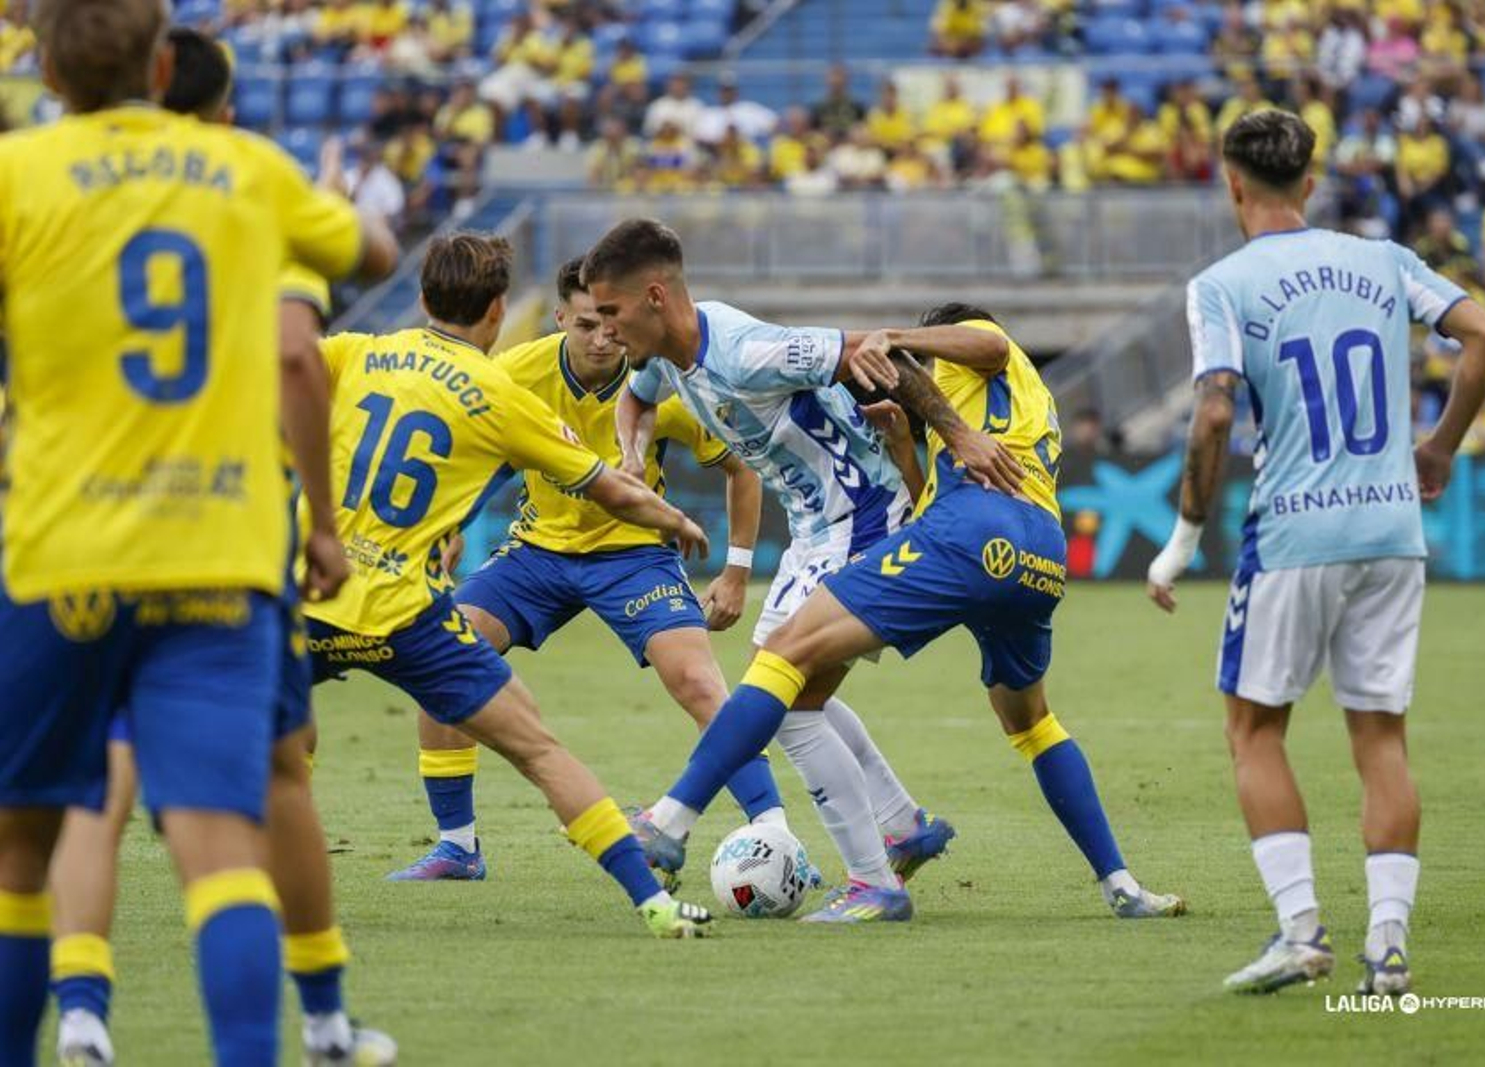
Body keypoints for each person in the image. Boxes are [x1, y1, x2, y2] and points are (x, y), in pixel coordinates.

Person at [0, 2, 396, 1063]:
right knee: (225, 844)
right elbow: (373, 244)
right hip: (220, 550)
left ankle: (68, 1020)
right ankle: (300, 1030)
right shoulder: (245, 171)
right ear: (165, 61)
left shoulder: (17, 174)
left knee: (22, 847)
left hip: (60, 551)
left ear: (43, 69)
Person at [591, 220, 1185, 924]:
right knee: (1026, 722)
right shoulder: (670, 357)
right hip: (1034, 547)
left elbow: (982, 342)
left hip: (905, 525)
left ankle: (710, 831)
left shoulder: (766, 349)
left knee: (782, 677)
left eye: (609, 314)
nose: (602, 330)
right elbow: (640, 390)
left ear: (654, 296)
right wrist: (912, 442)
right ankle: (1105, 878)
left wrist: (906, 351)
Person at [1145, 110, 1485, 995]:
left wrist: (1185, 538)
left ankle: (1302, 930)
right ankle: (1389, 946)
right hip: (1391, 528)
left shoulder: (1222, 283)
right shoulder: (1384, 260)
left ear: (1232, 184)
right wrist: (1440, 447)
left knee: (1254, 727)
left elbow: (1218, 411)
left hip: (1296, 531)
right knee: (1380, 736)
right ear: (1310, 182)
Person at [303, 232, 716, 939]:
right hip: (405, 614)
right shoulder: (503, 394)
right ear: (498, 311)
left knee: (270, 736)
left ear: (424, 297)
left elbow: (278, 371)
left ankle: (264, 889)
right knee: (539, 750)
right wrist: (674, 516)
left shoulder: (352, 352)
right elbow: (611, 488)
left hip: (312, 592)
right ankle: (652, 902)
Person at [389, 257, 792, 881]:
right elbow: (477, 454)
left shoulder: (659, 380)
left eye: (610, 322)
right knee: (441, 654)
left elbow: (741, 466)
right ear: (559, 320)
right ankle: (457, 846)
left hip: (634, 555)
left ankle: (774, 833)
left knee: (698, 683)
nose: (603, 338)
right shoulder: (513, 373)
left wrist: (737, 570)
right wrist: (449, 524)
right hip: (536, 554)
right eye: (586, 325)